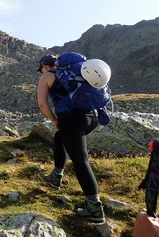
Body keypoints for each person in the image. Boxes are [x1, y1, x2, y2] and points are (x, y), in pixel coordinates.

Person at [37, 54, 105, 223]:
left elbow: (42, 104)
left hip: (70, 119)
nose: (41, 72)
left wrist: (54, 120)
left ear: (45, 66)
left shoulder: (48, 76)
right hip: (90, 118)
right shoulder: (77, 72)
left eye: (41, 69)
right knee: (60, 137)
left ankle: (94, 208)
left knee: (81, 161)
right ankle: (56, 176)